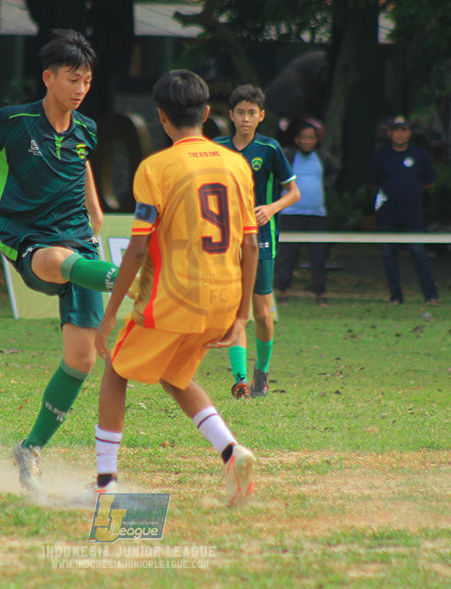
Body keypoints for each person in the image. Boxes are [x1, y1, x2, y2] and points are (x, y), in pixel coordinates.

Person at [0, 29, 119, 494]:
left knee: (82, 359)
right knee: (56, 259)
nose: (80, 89)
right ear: (48, 78)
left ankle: (30, 448)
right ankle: (128, 279)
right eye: (73, 79)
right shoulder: (16, 121)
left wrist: (95, 210)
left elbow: (82, 160)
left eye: (87, 81)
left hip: (78, 237)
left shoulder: (86, 129)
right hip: (26, 236)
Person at [91, 69, 259, 507]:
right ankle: (231, 451)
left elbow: (136, 251)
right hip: (222, 300)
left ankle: (105, 483)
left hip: (174, 298)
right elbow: (251, 242)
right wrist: (242, 314)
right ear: (206, 114)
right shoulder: (236, 164)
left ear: (162, 118)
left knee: (116, 371)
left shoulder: (157, 168)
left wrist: (108, 316)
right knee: (173, 374)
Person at [213, 85, 299, 399]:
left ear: (261, 116)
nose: (246, 119)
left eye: (252, 113)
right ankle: (240, 380)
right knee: (238, 309)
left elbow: (294, 192)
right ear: (231, 115)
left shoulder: (270, 148)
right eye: (240, 113)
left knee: (262, 312)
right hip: (227, 239)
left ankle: (261, 373)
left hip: (262, 239)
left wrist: (271, 208)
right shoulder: (217, 148)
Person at [370, 116, 439, 305]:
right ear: (390, 133)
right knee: (389, 257)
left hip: (412, 215)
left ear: (409, 133)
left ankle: (431, 295)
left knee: (418, 254)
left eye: (404, 130)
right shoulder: (382, 156)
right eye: (396, 130)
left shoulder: (419, 154)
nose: (400, 134)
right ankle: (395, 296)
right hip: (387, 215)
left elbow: (429, 181)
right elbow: (374, 184)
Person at [274, 118, 340, 306]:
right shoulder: (288, 156)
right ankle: (282, 291)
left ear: (316, 140)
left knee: (318, 257)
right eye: (304, 138)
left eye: (311, 138)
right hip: (290, 213)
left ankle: (319, 294)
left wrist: (325, 185)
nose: (307, 141)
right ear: (296, 139)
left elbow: (334, 171)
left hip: (316, 215)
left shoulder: (323, 157)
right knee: (287, 255)